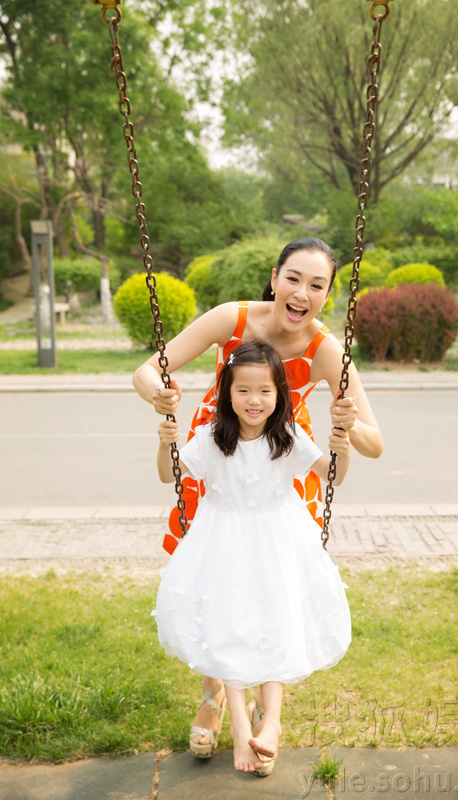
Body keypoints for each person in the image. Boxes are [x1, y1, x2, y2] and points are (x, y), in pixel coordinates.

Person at [133, 236, 383, 758]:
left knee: (270, 580)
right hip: (219, 450)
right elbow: (149, 369)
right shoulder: (234, 317)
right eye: (293, 278)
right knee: (213, 574)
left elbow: (374, 442)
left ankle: (266, 721)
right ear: (274, 278)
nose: (302, 293)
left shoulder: (325, 349)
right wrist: (159, 393)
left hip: (283, 460)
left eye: (317, 285)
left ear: (328, 295)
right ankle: (213, 692)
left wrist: (347, 424)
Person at [153, 341, 353, 775]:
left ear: (279, 394)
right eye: (242, 390)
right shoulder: (210, 437)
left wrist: (342, 441)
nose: (254, 400)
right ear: (227, 393)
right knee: (230, 627)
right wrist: (166, 441)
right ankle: (243, 728)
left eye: (264, 391)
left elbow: (333, 473)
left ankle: (273, 722)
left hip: (277, 541)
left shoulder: (288, 436)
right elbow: (169, 473)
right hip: (223, 541)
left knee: (276, 620)